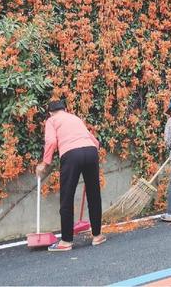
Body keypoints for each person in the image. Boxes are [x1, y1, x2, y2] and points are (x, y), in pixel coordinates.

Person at [36, 100, 105, 251]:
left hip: (71, 154)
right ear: (65, 109)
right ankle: (97, 235)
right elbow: (91, 138)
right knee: (94, 194)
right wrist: (95, 148)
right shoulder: (74, 118)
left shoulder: (51, 120)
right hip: (91, 151)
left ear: (50, 112)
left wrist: (45, 163)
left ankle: (66, 241)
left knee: (67, 196)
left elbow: (51, 141)